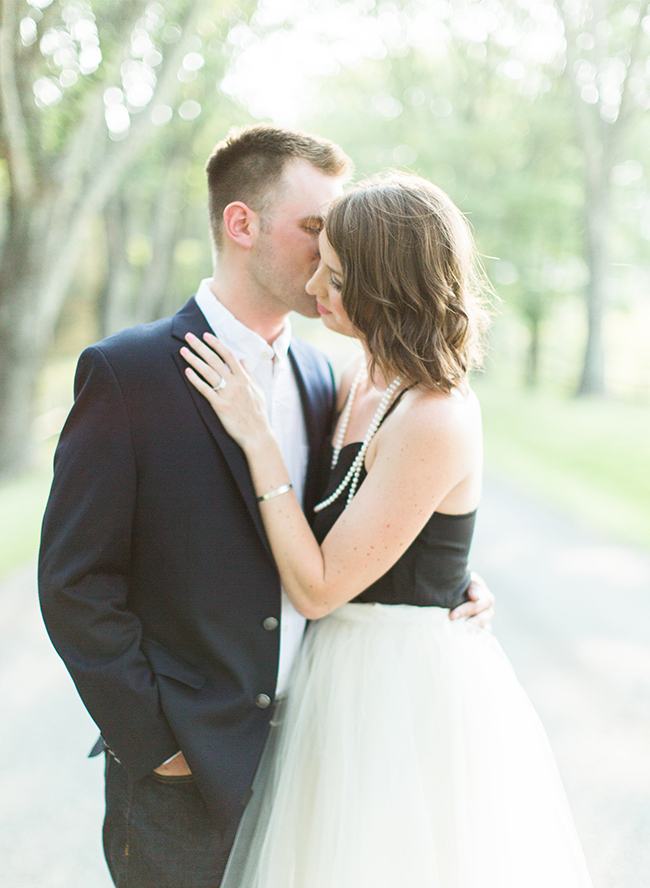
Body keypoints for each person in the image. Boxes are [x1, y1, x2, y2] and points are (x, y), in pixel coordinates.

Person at [38, 127, 494, 888]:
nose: (330, 253)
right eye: (315, 228)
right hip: (183, 773)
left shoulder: (330, 378)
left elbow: (365, 519)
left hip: (319, 751)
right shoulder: (131, 373)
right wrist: (157, 747)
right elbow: (74, 585)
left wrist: (450, 583)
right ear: (242, 224)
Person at [182, 173, 594, 888]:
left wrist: (257, 438)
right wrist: (453, 567)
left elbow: (316, 588)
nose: (315, 284)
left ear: (387, 291)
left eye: (337, 277)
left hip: (402, 695)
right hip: (331, 677)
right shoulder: (354, 376)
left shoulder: (435, 414)